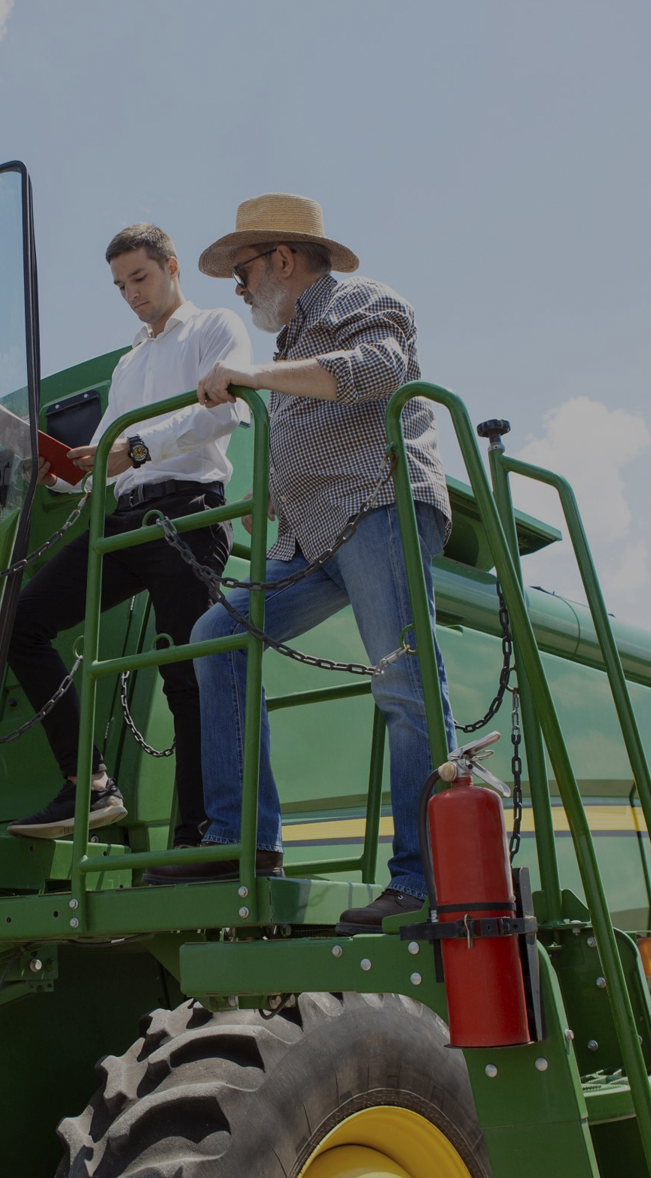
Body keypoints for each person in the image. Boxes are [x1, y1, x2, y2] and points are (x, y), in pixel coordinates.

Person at [141, 193, 455, 936]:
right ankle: (243, 836)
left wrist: (248, 379)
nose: (240, 289)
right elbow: (316, 430)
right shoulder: (288, 351)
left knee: (404, 683)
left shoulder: (362, 299)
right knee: (219, 634)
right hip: (314, 534)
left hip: (378, 505)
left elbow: (374, 373)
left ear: (283, 258)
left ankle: (423, 883)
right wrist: (274, 496)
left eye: (243, 272)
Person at [6, 224, 252, 841]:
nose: (131, 294)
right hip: (122, 519)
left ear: (172, 266)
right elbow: (106, 460)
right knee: (24, 624)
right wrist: (59, 477)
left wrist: (134, 448)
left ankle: (198, 839)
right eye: (120, 285)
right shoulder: (128, 362)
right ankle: (86, 786)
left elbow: (226, 410)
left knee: (185, 677)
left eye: (139, 278)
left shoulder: (215, 327)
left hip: (187, 517)